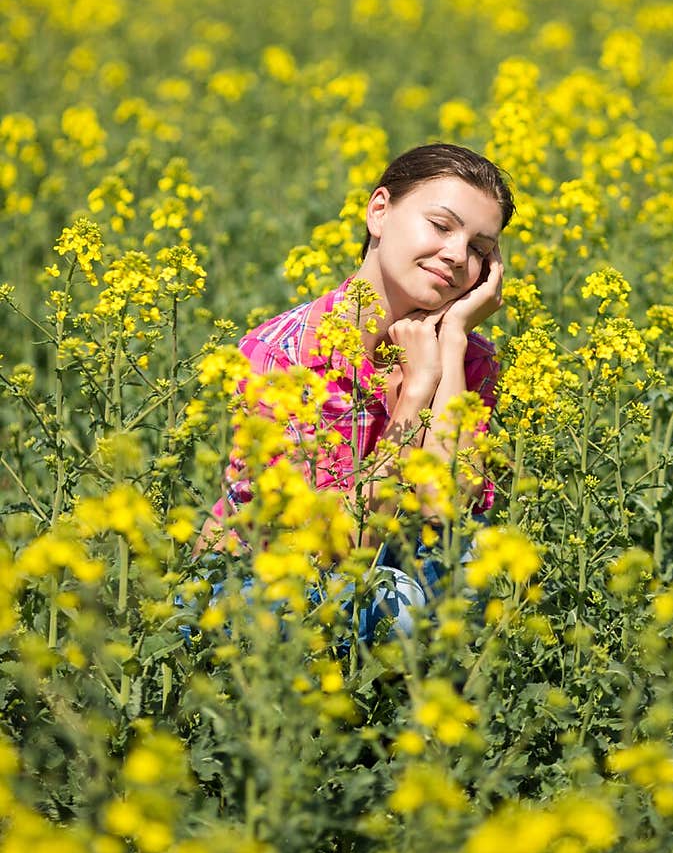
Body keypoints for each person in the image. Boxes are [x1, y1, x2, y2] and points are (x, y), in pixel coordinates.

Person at [192, 142, 515, 642]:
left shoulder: (470, 356)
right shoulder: (283, 355)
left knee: (487, 565)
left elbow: (450, 511)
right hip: (261, 583)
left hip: (393, 560)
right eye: (441, 226)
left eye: (478, 248)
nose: (456, 255)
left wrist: (450, 345)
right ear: (379, 212)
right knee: (392, 601)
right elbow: (335, 548)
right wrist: (415, 396)